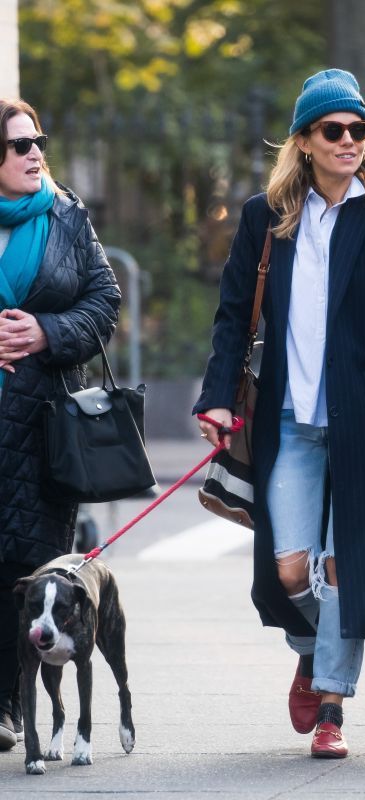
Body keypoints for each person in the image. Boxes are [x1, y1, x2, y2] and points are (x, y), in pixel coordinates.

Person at [194, 69, 365, 758]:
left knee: (345, 567)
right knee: (292, 571)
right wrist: (215, 397)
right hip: (289, 423)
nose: (350, 140)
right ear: (304, 141)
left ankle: (332, 704)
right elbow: (234, 315)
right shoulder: (263, 217)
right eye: (335, 130)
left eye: (360, 129)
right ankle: (310, 646)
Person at [0, 99, 121, 750]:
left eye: (38, 141)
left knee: (30, 570)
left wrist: (47, 330)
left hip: (45, 427)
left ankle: (11, 707)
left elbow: (105, 303)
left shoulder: (67, 217)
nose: (34, 153)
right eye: (18, 145)